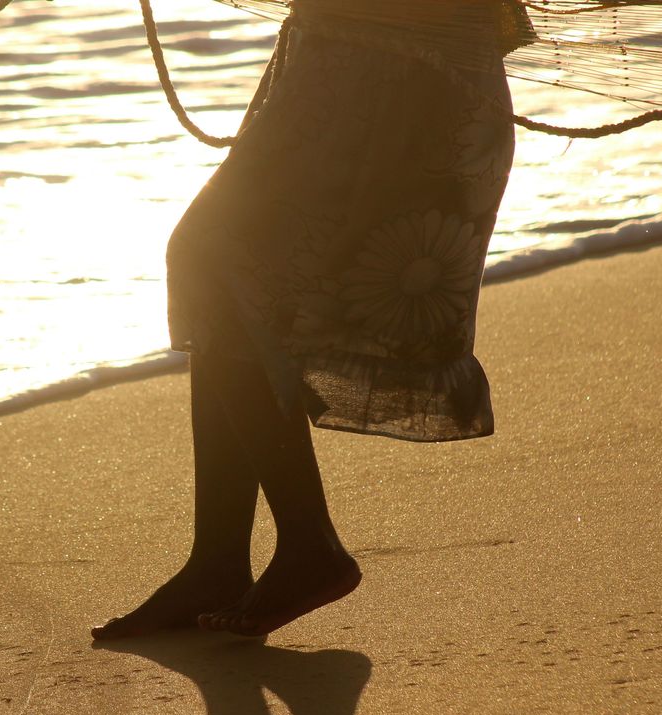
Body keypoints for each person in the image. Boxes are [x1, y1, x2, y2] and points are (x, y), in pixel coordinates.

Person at [92, 0, 529, 640]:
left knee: (213, 261)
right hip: (354, 66)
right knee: (219, 271)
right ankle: (220, 560)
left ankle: (304, 546)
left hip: (395, 81)